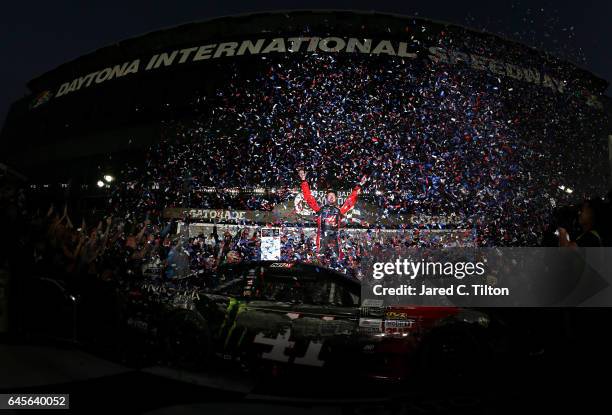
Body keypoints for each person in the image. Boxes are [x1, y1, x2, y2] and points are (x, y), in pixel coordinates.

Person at [298, 168, 367, 263]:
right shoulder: (319, 209)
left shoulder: (340, 210)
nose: (331, 197)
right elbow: (308, 197)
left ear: (336, 198)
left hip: (335, 240)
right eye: (329, 196)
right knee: (319, 262)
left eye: (333, 196)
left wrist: (360, 185)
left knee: (338, 261)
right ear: (326, 198)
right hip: (321, 239)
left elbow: (351, 200)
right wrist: (303, 181)